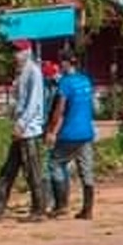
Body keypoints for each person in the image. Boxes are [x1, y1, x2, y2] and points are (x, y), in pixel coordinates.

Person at [0, 39, 48, 222]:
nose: (15, 55)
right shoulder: (21, 73)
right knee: (7, 171)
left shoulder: (33, 72)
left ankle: (39, 210)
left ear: (27, 51)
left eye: (18, 51)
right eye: (14, 51)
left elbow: (34, 103)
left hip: (29, 131)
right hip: (20, 129)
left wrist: (21, 125)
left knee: (32, 172)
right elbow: (18, 101)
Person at [45, 50, 99, 220]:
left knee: (55, 163)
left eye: (62, 62)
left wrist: (52, 132)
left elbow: (59, 109)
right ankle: (87, 209)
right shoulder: (85, 80)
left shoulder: (65, 83)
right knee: (86, 171)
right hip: (86, 133)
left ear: (66, 63)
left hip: (69, 133)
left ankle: (61, 205)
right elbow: (92, 106)